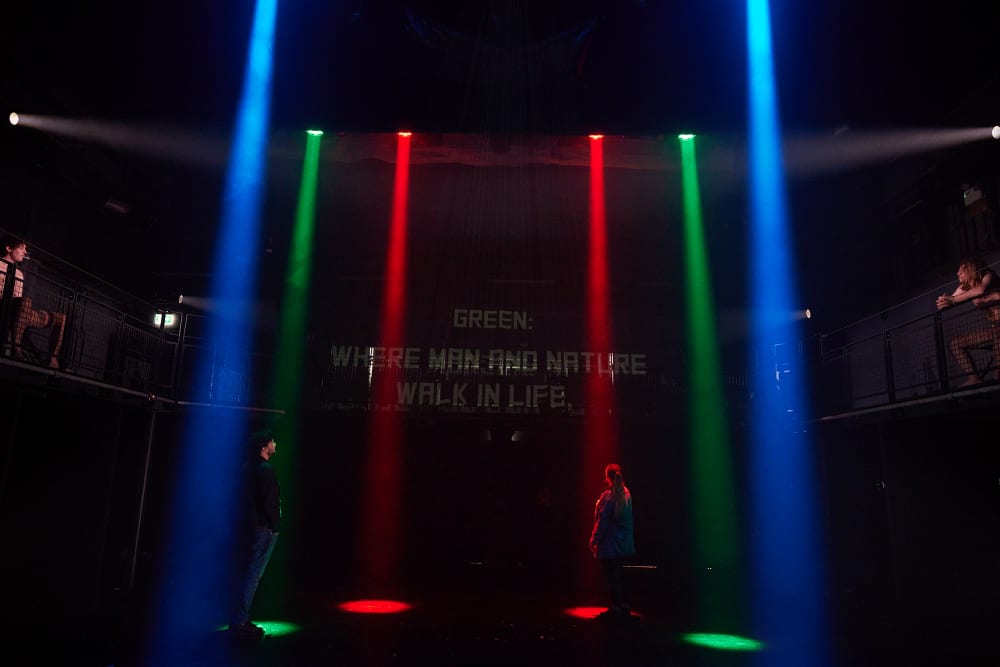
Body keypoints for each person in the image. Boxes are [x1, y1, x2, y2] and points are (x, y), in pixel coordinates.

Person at [229, 429, 282, 637]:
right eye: (272, 441)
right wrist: (275, 525)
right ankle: (240, 620)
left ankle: (239, 617)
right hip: (262, 528)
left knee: (246, 572)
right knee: (253, 575)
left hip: (250, 527)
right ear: (264, 447)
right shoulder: (266, 469)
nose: (275, 444)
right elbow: (269, 503)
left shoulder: (248, 468)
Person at [1, 234, 67, 369]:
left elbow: (18, 297)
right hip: (3, 306)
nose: (25, 252)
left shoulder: (19, 273)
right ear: (8, 248)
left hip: (18, 311)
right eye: (21, 247)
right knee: (25, 302)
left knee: (61, 318)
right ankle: (16, 348)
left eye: (26, 249)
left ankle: (52, 359)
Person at [935, 257, 1000, 387]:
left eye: (961, 270)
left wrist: (952, 300)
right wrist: (943, 301)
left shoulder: (988, 275)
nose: (957, 273)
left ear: (970, 269)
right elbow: (950, 300)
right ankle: (974, 378)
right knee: (955, 344)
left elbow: (980, 290)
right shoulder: (966, 286)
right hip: (995, 331)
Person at [589, 463, 635, 621]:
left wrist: (594, 539)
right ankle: (624, 605)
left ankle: (616, 607)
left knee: (611, 576)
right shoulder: (626, 493)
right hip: (622, 544)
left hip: (609, 544)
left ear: (607, 477)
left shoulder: (608, 497)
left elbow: (602, 522)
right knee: (621, 575)